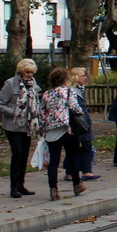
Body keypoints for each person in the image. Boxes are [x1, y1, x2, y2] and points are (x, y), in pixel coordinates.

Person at [0, 57, 41, 198]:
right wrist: (14, 111)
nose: (30, 75)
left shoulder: (33, 84)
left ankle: (21, 185)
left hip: (27, 125)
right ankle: (13, 187)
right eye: (27, 72)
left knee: (24, 155)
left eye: (32, 72)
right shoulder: (10, 84)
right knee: (18, 153)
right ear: (21, 71)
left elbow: (36, 101)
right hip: (13, 126)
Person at [38, 67, 86, 199]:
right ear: (65, 79)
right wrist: (81, 113)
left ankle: (53, 189)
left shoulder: (47, 94)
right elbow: (74, 107)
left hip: (51, 130)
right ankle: (77, 185)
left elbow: (42, 112)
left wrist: (43, 129)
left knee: (54, 160)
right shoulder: (69, 92)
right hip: (67, 128)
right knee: (71, 157)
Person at [64, 66, 100, 181]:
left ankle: (71, 171)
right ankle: (86, 171)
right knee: (85, 146)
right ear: (76, 77)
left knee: (76, 148)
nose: (85, 78)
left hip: (77, 123)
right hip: (79, 123)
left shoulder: (76, 89)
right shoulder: (74, 91)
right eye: (83, 75)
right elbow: (77, 108)